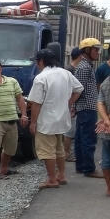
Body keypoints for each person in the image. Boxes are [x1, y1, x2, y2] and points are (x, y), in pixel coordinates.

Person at [28, 49, 83, 189]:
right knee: (59, 149)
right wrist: (68, 103)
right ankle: (61, 175)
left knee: (47, 151)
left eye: (37, 61)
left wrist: (33, 122)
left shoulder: (41, 77)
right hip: (62, 118)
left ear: (41, 61)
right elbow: (79, 89)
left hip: (46, 121)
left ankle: (52, 179)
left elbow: (36, 103)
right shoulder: (66, 73)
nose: (37, 64)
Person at [73, 37, 103, 178]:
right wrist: (72, 105)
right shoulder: (85, 67)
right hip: (87, 107)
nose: (97, 52)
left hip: (84, 107)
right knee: (88, 139)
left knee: (81, 138)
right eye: (95, 50)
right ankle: (89, 169)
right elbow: (78, 89)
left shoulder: (85, 66)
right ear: (87, 50)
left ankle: (81, 166)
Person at [64, 47, 83, 161]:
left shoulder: (72, 68)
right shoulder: (69, 70)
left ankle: (68, 152)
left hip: (74, 103)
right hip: (70, 103)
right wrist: (71, 105)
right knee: (69, 131)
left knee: (72, 130)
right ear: (80, 56)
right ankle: (66, 153)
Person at [95, 76, 110, 195]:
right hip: (107, 126)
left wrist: (105, 119)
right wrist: (107, 120)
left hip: (107, 129)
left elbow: (100, 103)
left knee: (106, 159)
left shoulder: (106, 82)